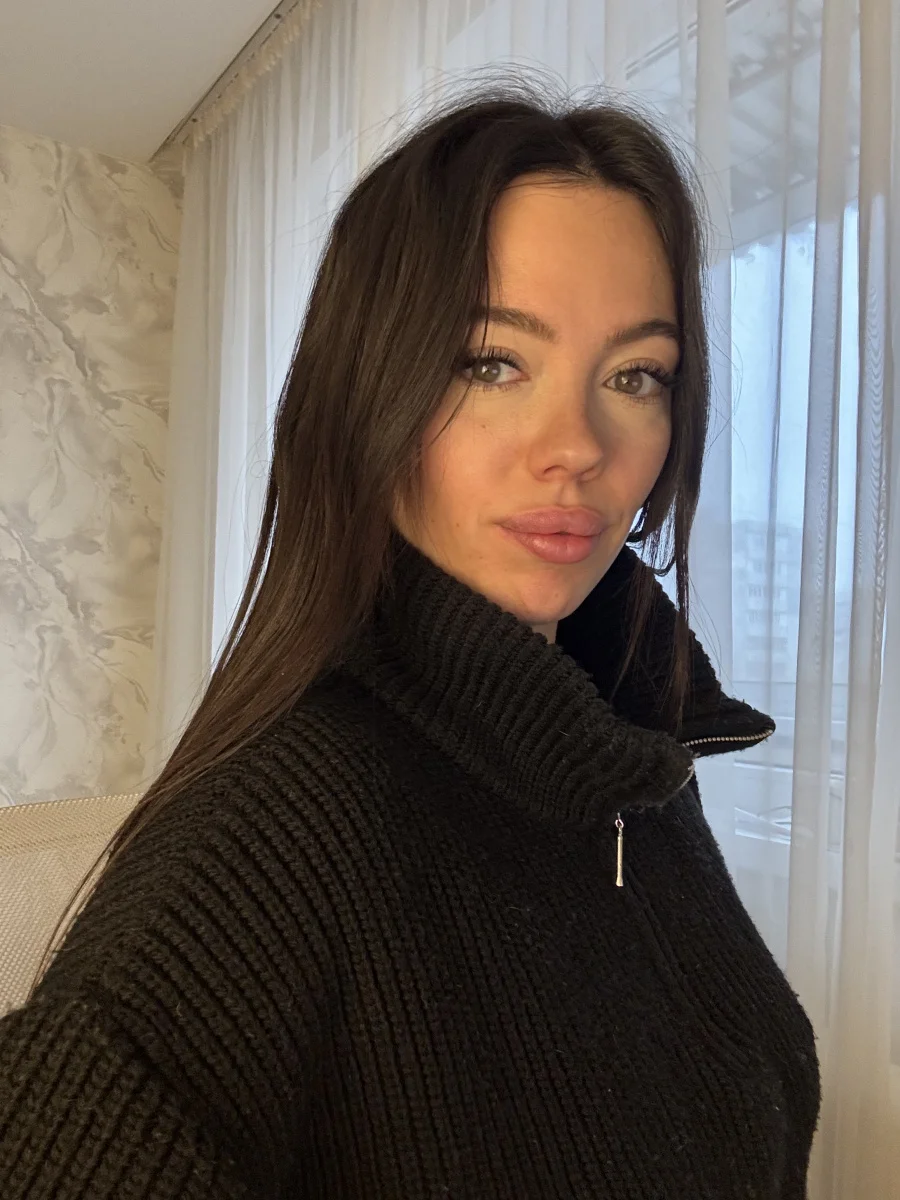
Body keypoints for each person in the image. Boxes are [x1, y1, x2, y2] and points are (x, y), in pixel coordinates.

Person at [0, 71, 822, 1198]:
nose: (578, 444)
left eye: (636, 375)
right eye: (492, 362)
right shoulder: (270, 839)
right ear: (366, 392)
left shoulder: (633, 758)